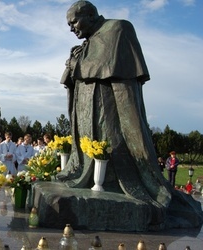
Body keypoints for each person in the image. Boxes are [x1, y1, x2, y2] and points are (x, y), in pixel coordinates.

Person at [57, 0, 173, 226]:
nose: (72, 28)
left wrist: (78, 66)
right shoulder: (87, 42)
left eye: (74, 22)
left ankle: (115, 181)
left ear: (90, 15)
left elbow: (108, 63)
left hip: (109, 107)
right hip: (86, 105)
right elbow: (79, 70)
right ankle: (87, 173)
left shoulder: (118, 28)